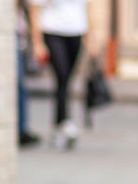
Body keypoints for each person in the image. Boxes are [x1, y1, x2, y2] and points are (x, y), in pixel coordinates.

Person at [27, 0, 97, 149]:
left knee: (67, 80)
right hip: (52, 31)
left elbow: (88, 8)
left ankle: (60, 123)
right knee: (62, 75)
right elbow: (35, 10)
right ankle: (64, 122)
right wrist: (37, 43)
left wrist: (91, 39)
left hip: (76, 32)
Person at [17, 0, 40, 146]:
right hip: (13, 35)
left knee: (21, 86)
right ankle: (20, 129)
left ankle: (21, 128)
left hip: (20, 36)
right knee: (19, 84)